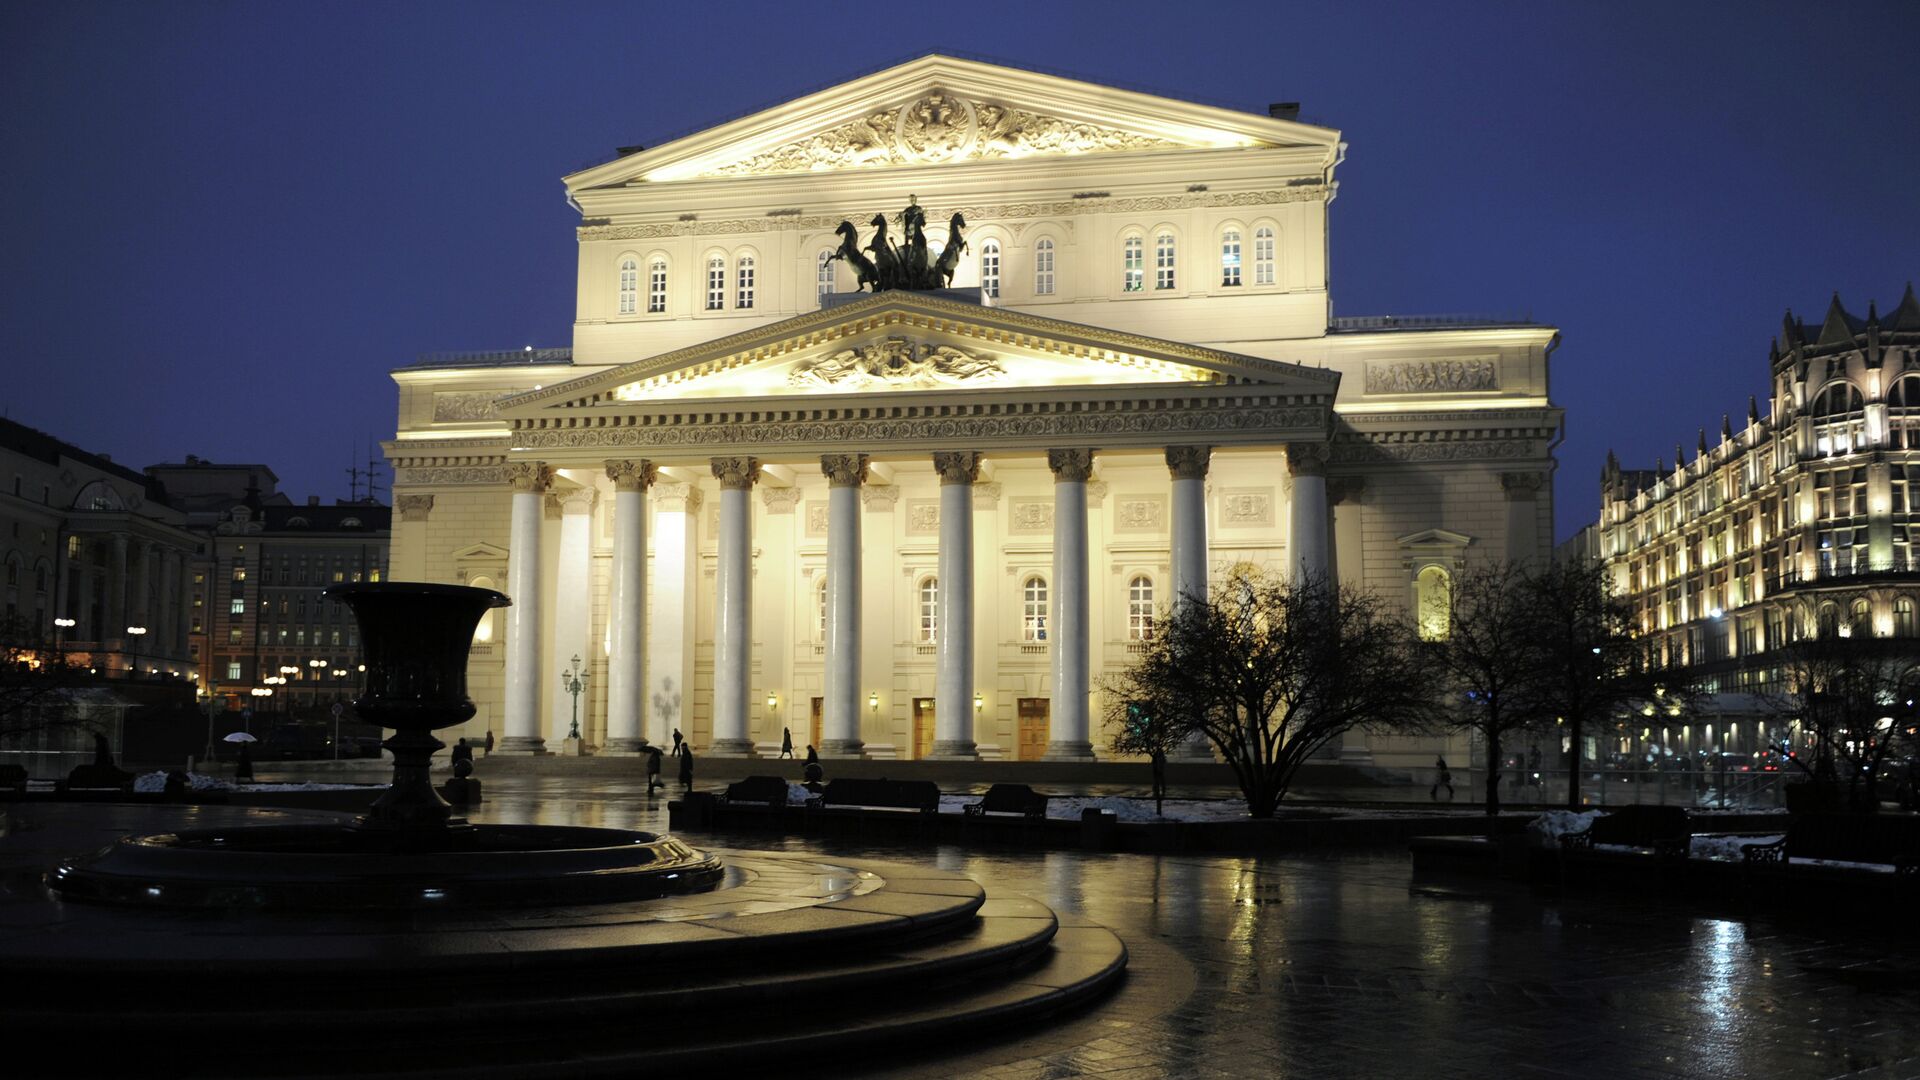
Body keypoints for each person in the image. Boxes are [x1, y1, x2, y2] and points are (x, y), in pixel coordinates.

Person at [1149, 747, 1167, 816]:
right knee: (1158, 781)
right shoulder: (1159, 756)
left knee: (1159, 781)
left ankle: (1158, 791)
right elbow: (1162, 762)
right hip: (1158, 771)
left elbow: (1162, 762)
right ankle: (1158, 791)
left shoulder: (1158, 756)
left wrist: (1158, 767)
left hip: (1158, 771)